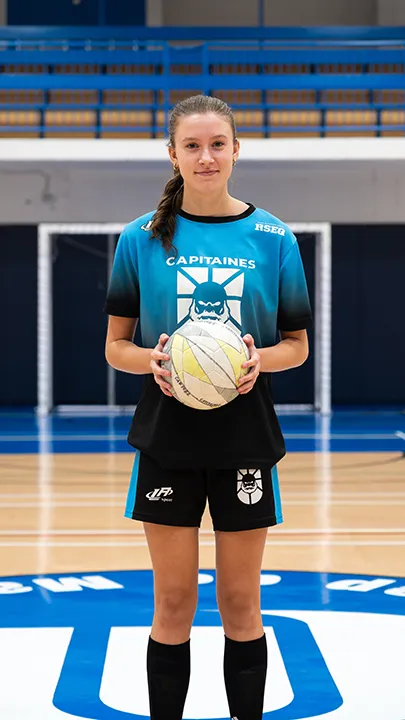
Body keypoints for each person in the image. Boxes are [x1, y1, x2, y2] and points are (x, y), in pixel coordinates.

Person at [104, 94, 312, 720]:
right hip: (168, 435)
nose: (205, 156)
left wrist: (256, 361)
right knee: (172, 605)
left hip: (245, 437)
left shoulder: (274, 237)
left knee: (241, 605)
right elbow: (117, 347)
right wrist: (156, 362)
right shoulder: (140, 238)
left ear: (236, 150)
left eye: (217, 144)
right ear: (172, 154)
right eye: (191, 146)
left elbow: (297, 348)